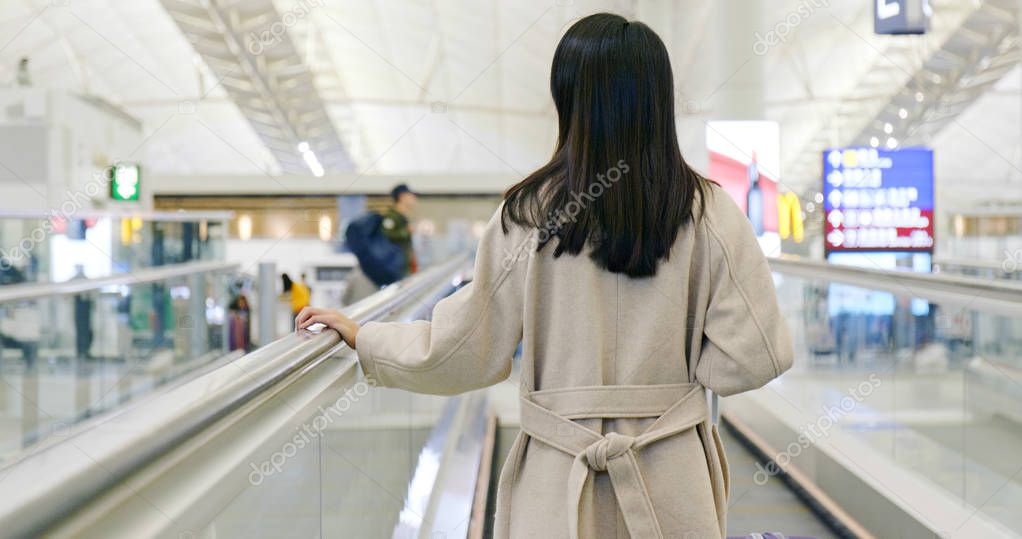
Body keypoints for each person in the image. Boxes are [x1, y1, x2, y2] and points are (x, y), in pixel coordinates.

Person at [297, 13, 792, 539]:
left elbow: (465, 349)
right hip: (672, 483)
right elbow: (755, 355)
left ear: (569, 100)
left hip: (558, 484)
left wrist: (366, 336)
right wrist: (685, 373)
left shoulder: (528, 215)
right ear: (658, 101)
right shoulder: (709, 212)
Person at [381, 183, 418, 276]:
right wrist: (406, 231)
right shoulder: (392, 217)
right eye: (410, 195)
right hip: (396, 266)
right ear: (402, 197)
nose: (413, 198)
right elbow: (387, 235)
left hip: (404, 264)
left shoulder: (402, 217)